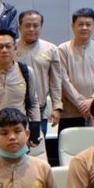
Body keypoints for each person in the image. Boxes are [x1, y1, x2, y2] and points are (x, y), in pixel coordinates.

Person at [56, 8, 94, 130]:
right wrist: (80, 103)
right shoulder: (63, 49)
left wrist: (92, 100)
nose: (84, 27)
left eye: (88, 24)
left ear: (93, 26)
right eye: (80, 24)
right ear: (73, 26)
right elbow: (63, 80)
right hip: (70, 113)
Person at [16, 10, 63, 140]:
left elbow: (55, 81)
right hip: (15, 110)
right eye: (27, 25)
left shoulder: (51, 49)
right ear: (19, 27)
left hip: (39, 111)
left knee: (37, 145)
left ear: (41, 27)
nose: (31, 29)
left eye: (35, 26)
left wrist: (57, 107)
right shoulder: (10, 48)